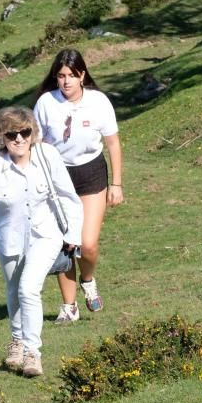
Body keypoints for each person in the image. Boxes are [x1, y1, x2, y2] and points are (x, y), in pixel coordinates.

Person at [0, 106, 82, 377]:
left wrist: (73, 235)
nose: (19, 139)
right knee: (14, 290)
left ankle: (32, 353)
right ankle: (16, 340)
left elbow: (68, 196)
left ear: (32, 133)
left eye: (24, 133)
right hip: (10, 238)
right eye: (11, 134)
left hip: (46, 235)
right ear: (1, 137)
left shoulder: (47, 155)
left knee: (29, 289)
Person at [33, 50, 122, 322]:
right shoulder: (46, 103)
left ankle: (88, 279)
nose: (66, 81)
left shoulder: (98, 102)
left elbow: (113, 144)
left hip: (92, 173)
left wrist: (116, 184)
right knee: (65, 245)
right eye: (61, 76)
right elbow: (35, 142)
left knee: (88, 243)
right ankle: (69, 306)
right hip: (58, 178)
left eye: (72, 75)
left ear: (82, 75)